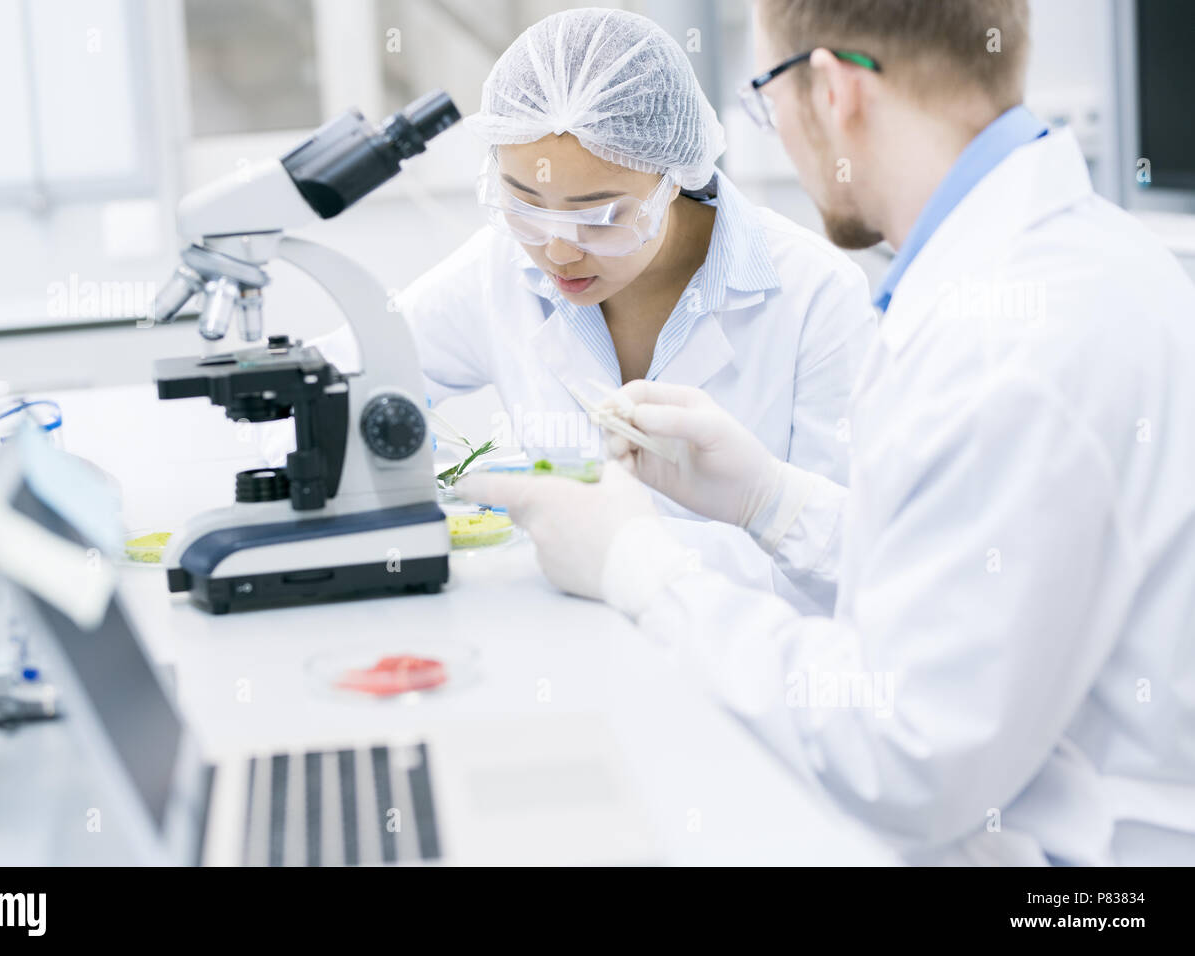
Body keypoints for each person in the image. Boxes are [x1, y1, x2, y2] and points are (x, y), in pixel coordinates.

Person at [460, 0, 1195, 865]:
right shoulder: (1072, 260)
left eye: (769, 100)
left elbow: (907, 757)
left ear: (834, 89)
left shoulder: (1008, 343)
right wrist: (775, 500)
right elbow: (974, 580)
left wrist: (642, 571)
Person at [267, 7, 875, 611]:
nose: (556, 251)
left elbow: (854, 566)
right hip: (571, 651)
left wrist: (628, 551)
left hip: (751, 670)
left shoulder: (817, 296)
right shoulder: (500, 267)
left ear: (676, 176)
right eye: (526, 206)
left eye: (599, 216)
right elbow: (322, 388)